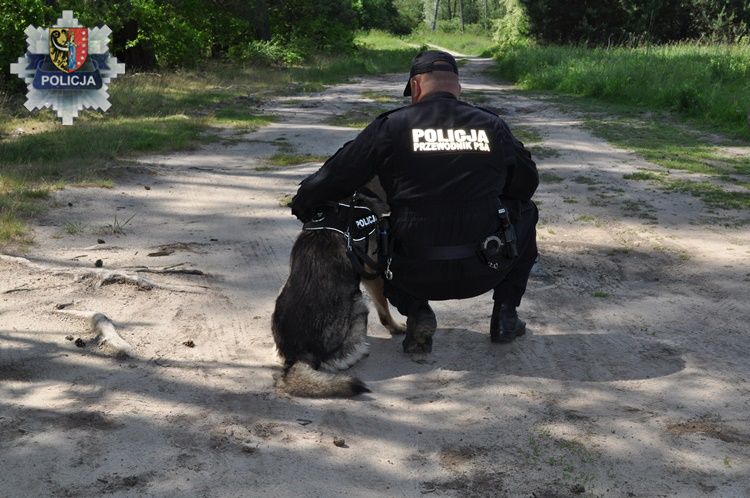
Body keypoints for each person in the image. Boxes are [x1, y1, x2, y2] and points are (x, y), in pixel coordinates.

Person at [291, 50, 538, 354]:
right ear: (457, 88)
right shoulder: (493, 126)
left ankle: (417, 312)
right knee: (527, 212)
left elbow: (336, 176)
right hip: (486, 266)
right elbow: (527, 185)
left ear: (416, 87)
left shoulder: (391, 127)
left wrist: (304, 204)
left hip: (413, 272)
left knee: (375, 222)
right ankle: (505, 316)